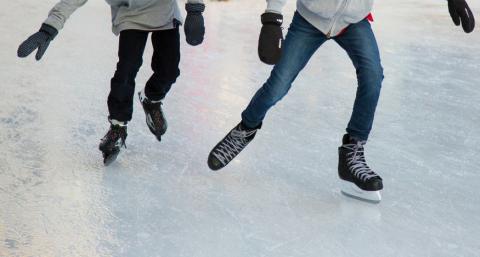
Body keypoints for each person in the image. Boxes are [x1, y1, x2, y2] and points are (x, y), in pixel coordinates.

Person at [208, 0, 475, 203]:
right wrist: (272, 17)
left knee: (373, 76)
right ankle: (245, 129)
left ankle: (352, 153)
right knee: (278, 84)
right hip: (310, 20)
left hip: (353, 21)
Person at [18, 0, 206, 165]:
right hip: (129, 15)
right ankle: (117, 126)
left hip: (165, 12)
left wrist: (195, 8)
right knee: (126, 70)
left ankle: (152, 99)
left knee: (169, 70)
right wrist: (49, 28)